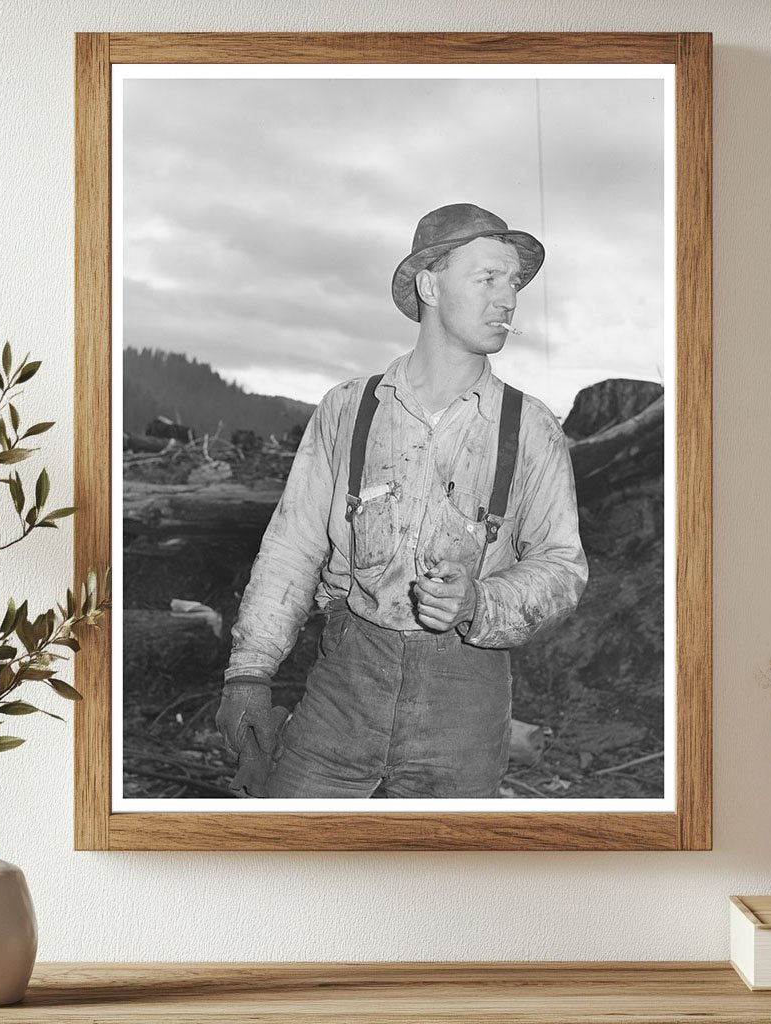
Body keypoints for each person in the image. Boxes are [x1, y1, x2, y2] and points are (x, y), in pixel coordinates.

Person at [215, 203, 588, 798]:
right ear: (429, 285)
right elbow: (293, 545)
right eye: (488, 277)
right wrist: (250, 674)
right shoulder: (349, 408)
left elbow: (562, 568)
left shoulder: (532, 428)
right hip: (343, 687)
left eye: (513, 282)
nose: (509, 298)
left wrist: (479, 602)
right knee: (296, 863)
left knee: (439, 881)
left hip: (465, 702)